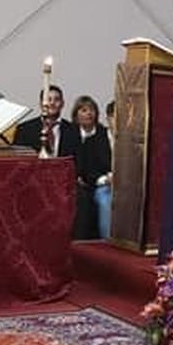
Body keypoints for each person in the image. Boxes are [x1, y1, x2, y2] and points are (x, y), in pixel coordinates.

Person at [70, 96, 112, 243]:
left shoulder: (103, 134)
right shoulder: (70, 133)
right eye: (84, 110)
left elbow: (106, 164)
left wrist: (103, 178)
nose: (88, 113)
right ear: (76, 114)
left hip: (100, 180)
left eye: (92, 110)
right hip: (74, 180)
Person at [12, 85, 79, 159]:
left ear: (62, 104)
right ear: (41, 104)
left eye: (56, 99)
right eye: (48, 99)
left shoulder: (74, 130)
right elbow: (18, 160)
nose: (52, 103)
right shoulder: (24, 130)